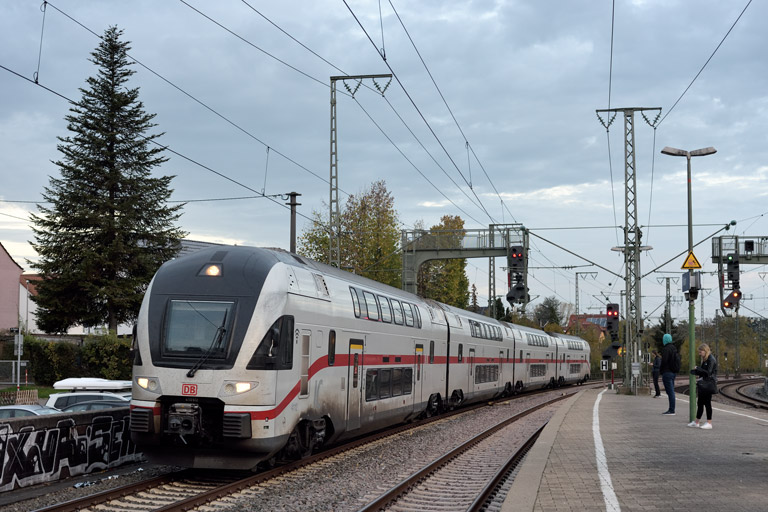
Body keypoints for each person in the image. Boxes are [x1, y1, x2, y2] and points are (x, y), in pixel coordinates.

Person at [688, 343, 718, 429]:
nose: (699, 354)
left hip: (708, 384)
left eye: (700, 352)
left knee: (707, 403)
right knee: (700, 403)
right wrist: (695, 371)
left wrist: (698, 368)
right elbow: (703, 371)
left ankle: (709, 422)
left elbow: (708, 372)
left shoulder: (711, 359)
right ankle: (697, 422)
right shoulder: (705, 359)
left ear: (705, 351)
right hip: (704, 383)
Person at [660, 333, 678, 415]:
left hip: (667, 372)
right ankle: (672, 408)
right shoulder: (674, 348)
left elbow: (664, 361)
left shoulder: (666, 349)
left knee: (670, 392)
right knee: (671, 391)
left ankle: (671, 410)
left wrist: (661, 370)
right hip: (673, 372)